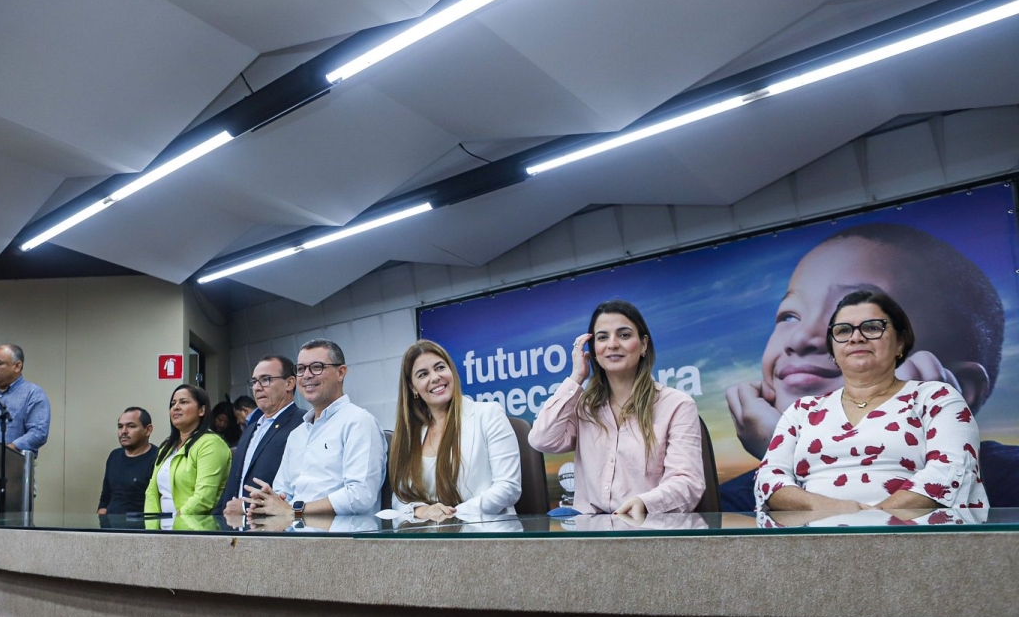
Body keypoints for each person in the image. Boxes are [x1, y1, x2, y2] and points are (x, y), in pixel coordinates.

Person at [723, 223, 1012, 508]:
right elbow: (770, 484)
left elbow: (948, 478)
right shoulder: (735, 495)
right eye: (789, 316)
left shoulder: (1005, 471)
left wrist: (858, 517)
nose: (801, 338)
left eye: (872, 327)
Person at [755, 289, 988, 512]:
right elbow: (769, 478)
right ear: (833, 349)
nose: (856, 337)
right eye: (843, 331)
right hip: (816, 538)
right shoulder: (802, 411)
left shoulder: (936, 399)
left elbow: (952, 471)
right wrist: (830, 510)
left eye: (872, 327)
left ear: (900, 342)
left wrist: (873, 520)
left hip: (917, 539)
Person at [528, 299, 704, 517]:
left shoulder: (677, 405)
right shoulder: (584, 407)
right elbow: (541, 439)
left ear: (644, 344)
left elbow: (688, 483)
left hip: (648, 528)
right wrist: (575, 379)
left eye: (624, 335)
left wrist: (645, 503)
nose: (612, 344)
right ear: (593, 350)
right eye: (602, 337)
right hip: (591, 531)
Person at [244, 339, 386, 517]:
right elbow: (283, 491)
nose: (307, 375)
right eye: (301, 369)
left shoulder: (359, 422)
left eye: (317, 367)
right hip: (295, 535)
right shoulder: (297, 434)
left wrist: (295, 510)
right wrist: (268, 503)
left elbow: (361, 496)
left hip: (341, 540)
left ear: (341, 372)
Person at [390, 340, 521, 520]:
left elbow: (508, 488)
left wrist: (450, 515)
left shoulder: (489, 414)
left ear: (451, 371)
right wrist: (419, 511)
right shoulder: (413, 434)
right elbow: (400, 496)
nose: (435, 377)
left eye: (440, 367)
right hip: (432, 541)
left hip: (487, 533)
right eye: (423, 374)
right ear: (413, 387)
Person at [220, 355, 304, 514]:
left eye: (265, 380)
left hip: (275, 529)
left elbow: (301, 486)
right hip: (235, 528)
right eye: (254, 382)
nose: (257, 387)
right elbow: (234, 483)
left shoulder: (302, 423)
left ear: (289, 383)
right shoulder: (251, 428)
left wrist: (246, 508)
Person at [143, 385, 231, 516]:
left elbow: (204, 497)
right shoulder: (167, 446)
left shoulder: (211, 443)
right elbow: (151, 492)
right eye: (173, 404)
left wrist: (177, 525)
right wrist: (152, 529)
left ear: (201, 410)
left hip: (193, 530)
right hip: (162, 530)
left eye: (183, 402)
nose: (176, 407)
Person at [98, 407, 158, 516]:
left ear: (148, 430)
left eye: (131, 426)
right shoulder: (114, 456)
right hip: (110, 529)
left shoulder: (159, 458)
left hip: (142, 529)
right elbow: (105, 499)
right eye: (120, 426)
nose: (123, 431)